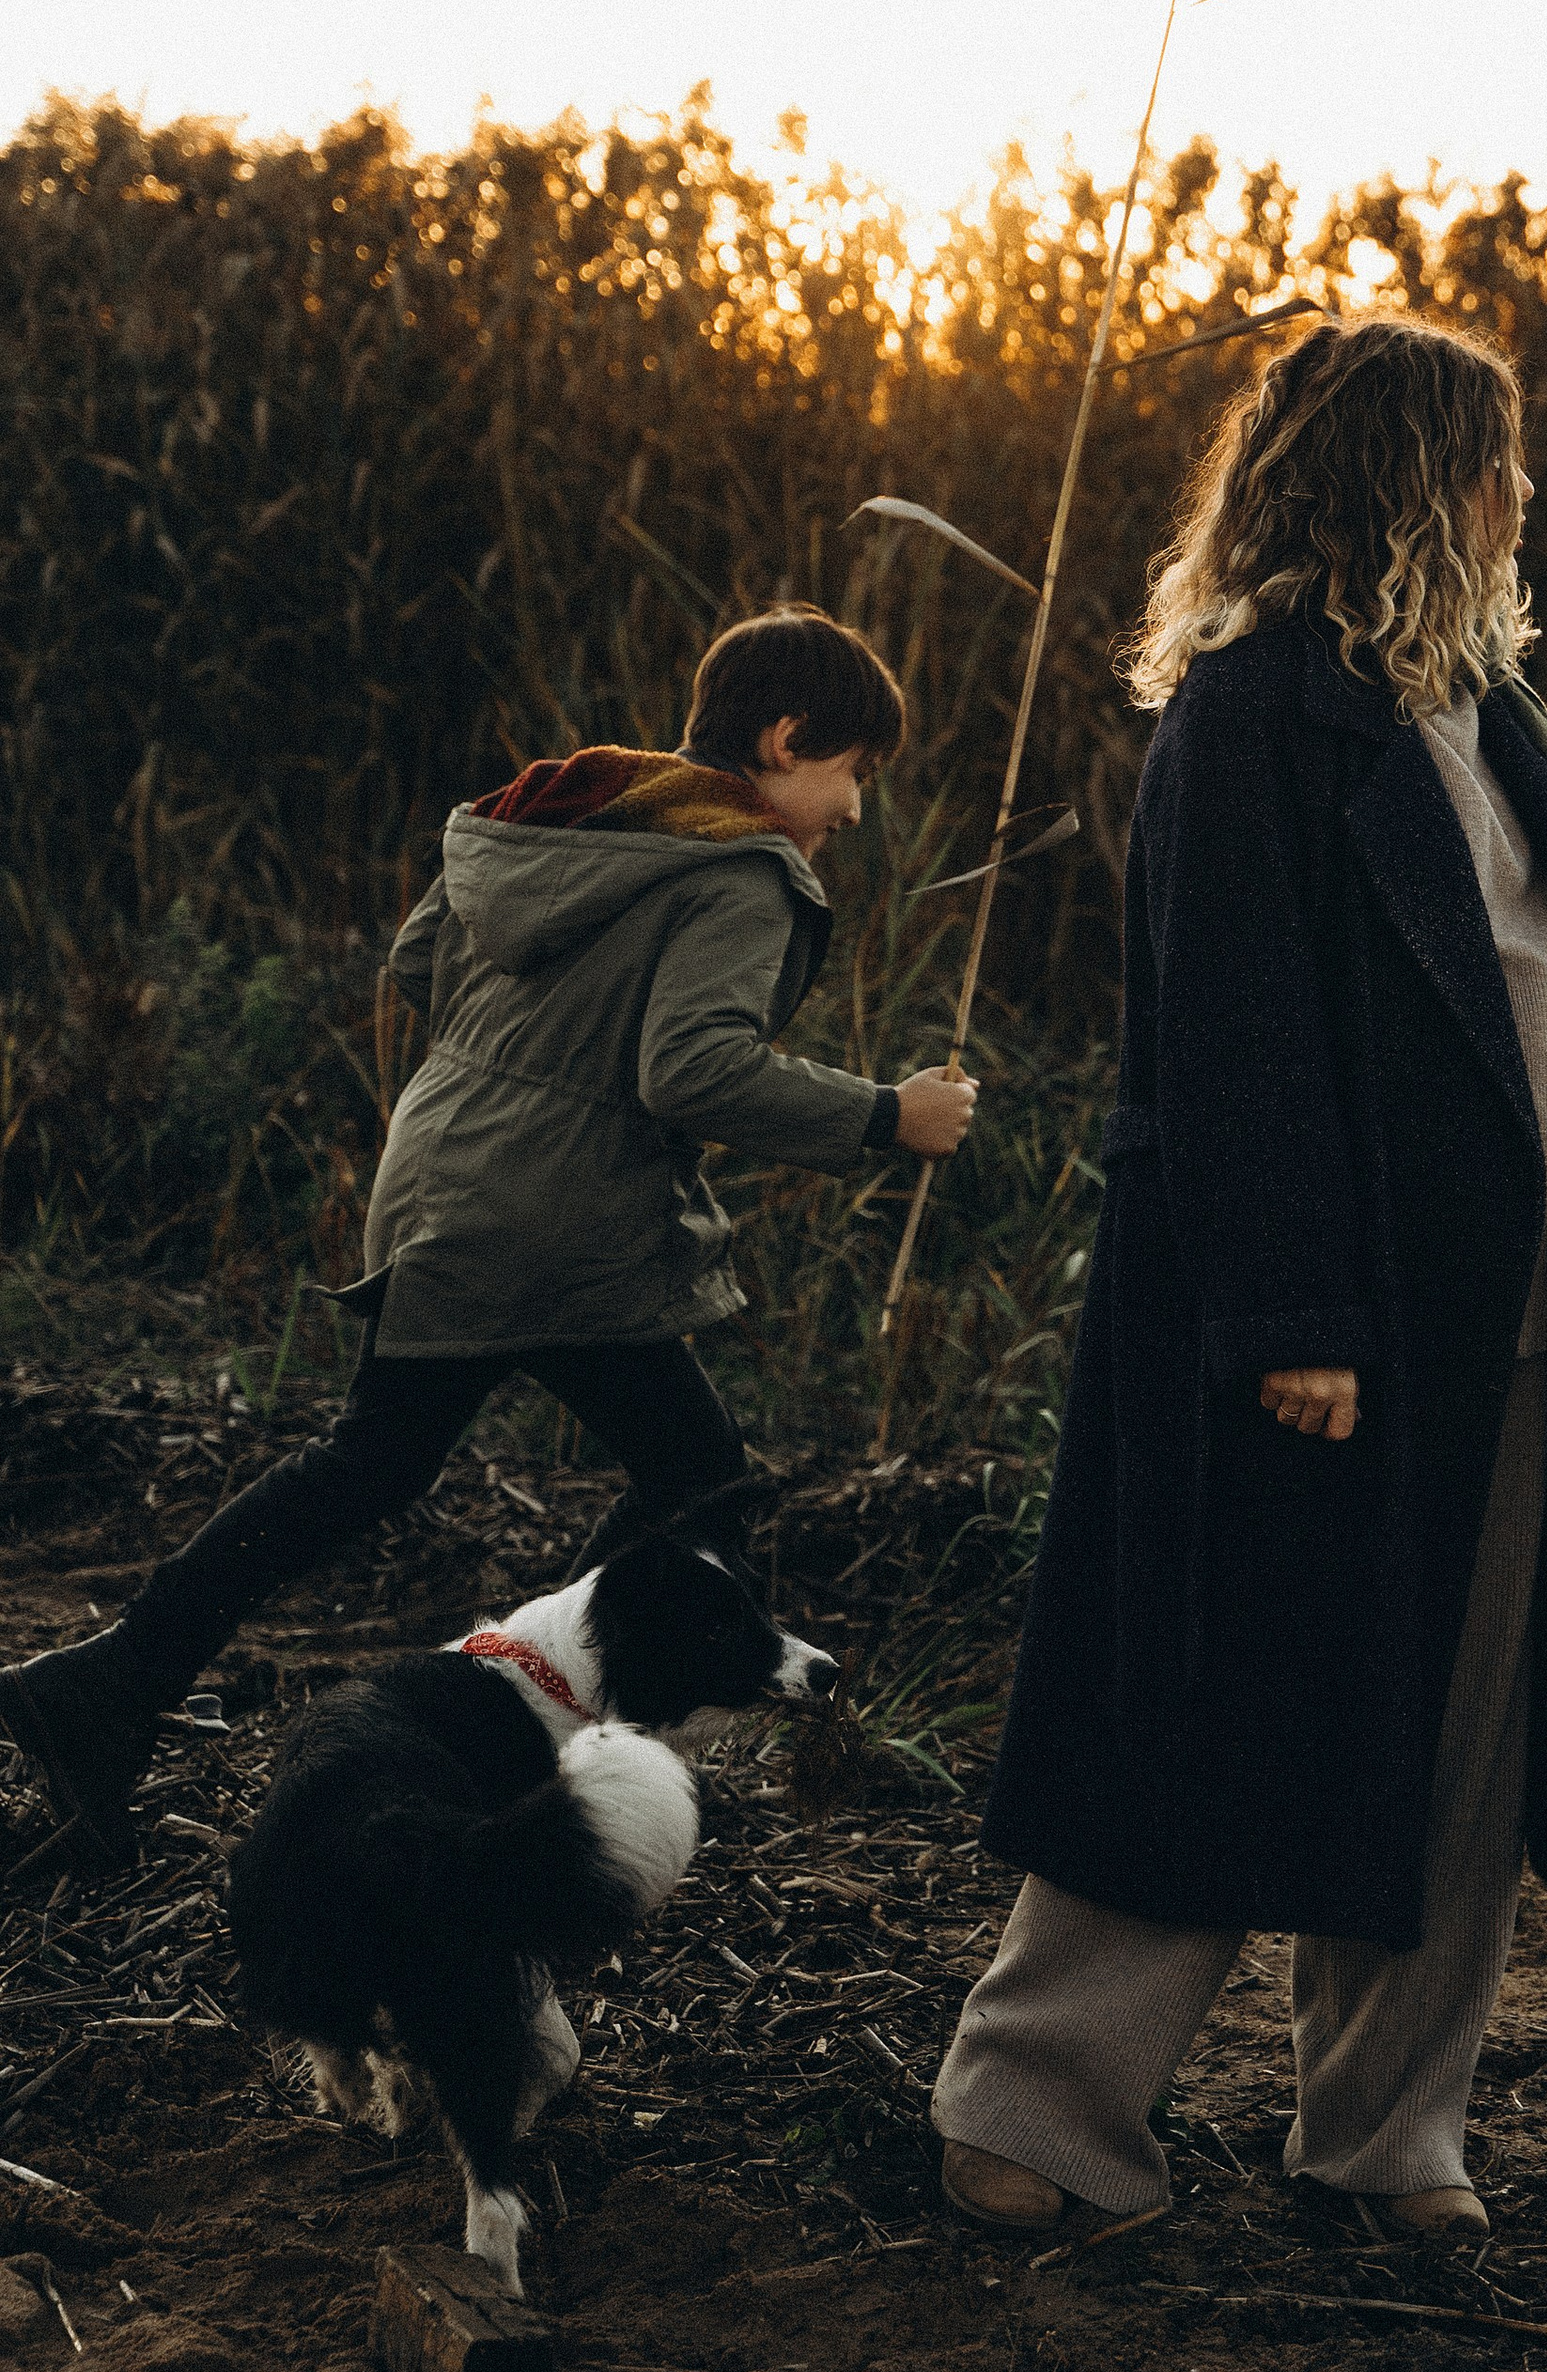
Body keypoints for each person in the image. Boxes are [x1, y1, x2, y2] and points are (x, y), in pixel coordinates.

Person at [930, 313, 1547, 2243]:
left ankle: (1385, 2132)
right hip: (1332, 1331)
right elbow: (1232, 1032)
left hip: (1513, 1330)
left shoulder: (1495, 709)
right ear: (1415, 478)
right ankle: (1034, 2112)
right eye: (1498, 459)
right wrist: (1293, 1317)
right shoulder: (1261, 709)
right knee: (1213, 1684)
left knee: (1470, 1733)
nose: (1526, 494)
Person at [0, 604, 978, 1870]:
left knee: (375, 1460)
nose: (854, 810)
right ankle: (545, 1735)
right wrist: (885, 1112)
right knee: (702, 1477)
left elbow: (420, 959)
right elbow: (692, 1069)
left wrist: (526, 1066)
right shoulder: (741, 872)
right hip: (554, 1219)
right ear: (786, 738)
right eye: (854, 773)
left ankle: (111, 1684)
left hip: (443, 1170)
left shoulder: (564, 819)